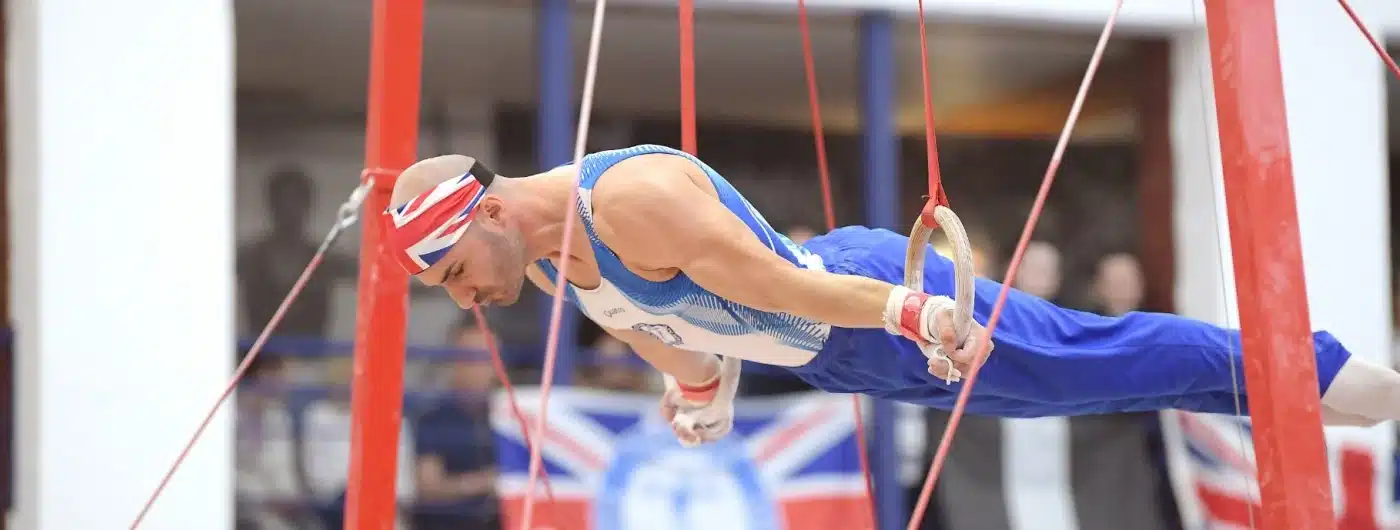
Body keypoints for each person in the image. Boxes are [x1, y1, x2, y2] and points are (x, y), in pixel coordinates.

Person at [381, 144, 1399, 447]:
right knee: (1086, 386)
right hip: (843, 351)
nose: (468, 298)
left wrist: (911, 311)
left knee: (1086, 359)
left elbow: (779, 286)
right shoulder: (549, 255)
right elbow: (669, 328)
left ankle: (1324, 372)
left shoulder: (632, 203)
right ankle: (1297, 383)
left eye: (457, 271)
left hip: (864, 299)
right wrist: (699, 389)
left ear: (493, 215)